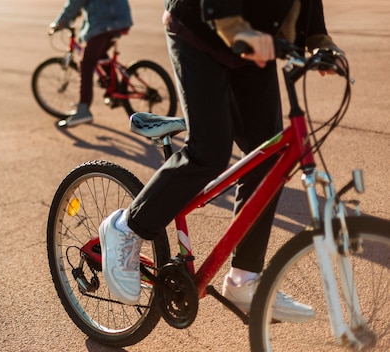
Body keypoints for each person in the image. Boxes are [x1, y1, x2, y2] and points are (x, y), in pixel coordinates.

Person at [99, 0, 344, 323]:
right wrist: (234, 28)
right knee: (210, 152)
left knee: (267, 157)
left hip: (255, 38)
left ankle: (244, 279)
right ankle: (124, 227)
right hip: (201, 29)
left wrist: (317, 38)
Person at [49, 0, 132, 127]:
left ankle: (83, 109)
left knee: (86, 64)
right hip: (121, 19)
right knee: (100, 54)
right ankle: (115, 90)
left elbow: (74, 4)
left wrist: (60, 23)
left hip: (105, 22)